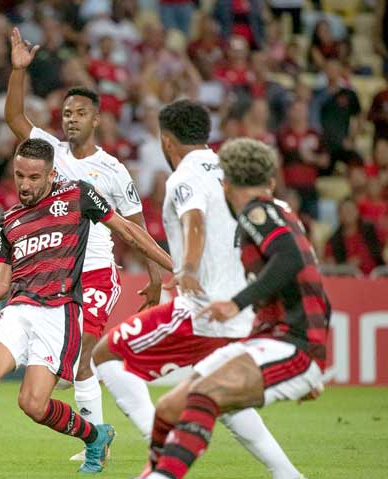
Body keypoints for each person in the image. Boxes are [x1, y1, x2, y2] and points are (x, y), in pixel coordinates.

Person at [0, 138, 173, 474]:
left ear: (51, 174)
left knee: (32, 404)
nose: (25, 184)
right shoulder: (9, 220)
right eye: (20, 175)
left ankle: (95, 437)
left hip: (59, 312)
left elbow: (128, 231)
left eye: (34, 177)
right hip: (18, 309)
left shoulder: (78, 194)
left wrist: (175, 269)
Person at [92, 100, 306, 479]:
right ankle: (286, 473)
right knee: (222, 396)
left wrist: (187, 266)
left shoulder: (183, 176)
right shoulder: (229, 169)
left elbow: (195, 219)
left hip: (202, 308)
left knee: (107, 353)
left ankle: (157, 445)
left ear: (167, 140)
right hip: (239, 306)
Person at [4, 27, 163, 461]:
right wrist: (19, 72)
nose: (69, 118)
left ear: (96, 120)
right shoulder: (49, 151)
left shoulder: (113, 170)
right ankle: (99, 439)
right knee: (80, 363)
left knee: (81, 355)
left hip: (94, 270)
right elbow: (15, 119)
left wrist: (156, 279)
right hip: (54, 274)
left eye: (79, 113)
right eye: (66, 112)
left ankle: (117, 439)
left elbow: (136, 227)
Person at [142, 138, 330, 479]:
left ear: (226, 184)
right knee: (169, 407)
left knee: (204, 394)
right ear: (270, 180)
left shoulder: (257, 212)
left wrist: (235, 303)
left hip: (291, 344)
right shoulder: (279, 213)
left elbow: (289, 259)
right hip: (275, 342)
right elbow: (315, 290)